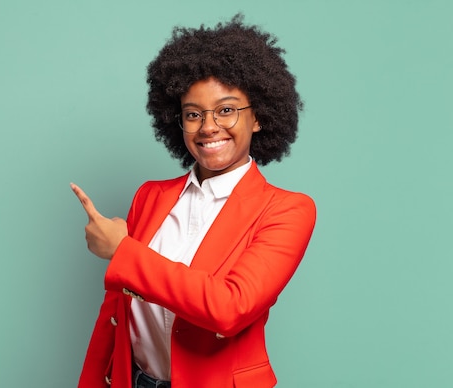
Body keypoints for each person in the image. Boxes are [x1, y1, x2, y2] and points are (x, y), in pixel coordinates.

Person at [70, 14, 316, 388]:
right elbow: (116, 315)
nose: (208, 126)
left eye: (227, 110)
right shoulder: (150, 196)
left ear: (259, 117)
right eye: (193, 114)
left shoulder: (287, 210)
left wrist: (123, 251)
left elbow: (228, 308)